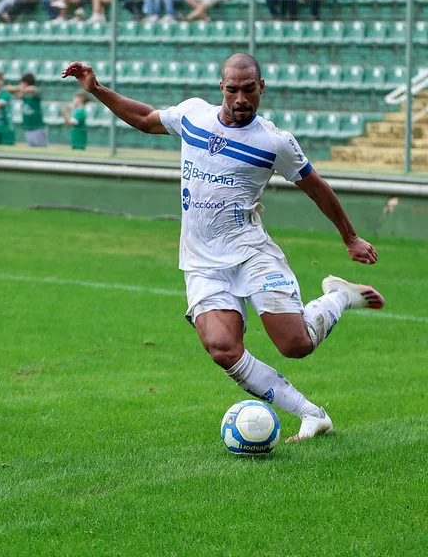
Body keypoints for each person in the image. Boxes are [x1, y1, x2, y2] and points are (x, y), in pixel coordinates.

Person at [62, 54, 385, 443]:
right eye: (232, 90)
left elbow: (317, 188)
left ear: (261, 88)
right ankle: (311, 414)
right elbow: (146, 119)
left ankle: (339, 298)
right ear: (221, 88)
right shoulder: (194, 116)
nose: (240, 99)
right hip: (202, 263)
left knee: (295, 345)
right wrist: (96, 90)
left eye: (249, 90)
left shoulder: (274, 142)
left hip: (251, 254)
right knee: (222, 348)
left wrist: (350, 237)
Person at [8, 73, 48, 147]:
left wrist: (21, 89)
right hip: (28, 128)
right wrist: (18, 88)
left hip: (38, 128)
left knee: (41, 152)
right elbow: (8, 89)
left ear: (25, 83)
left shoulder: (34, 92)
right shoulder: (24, 94)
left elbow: (33, 89)